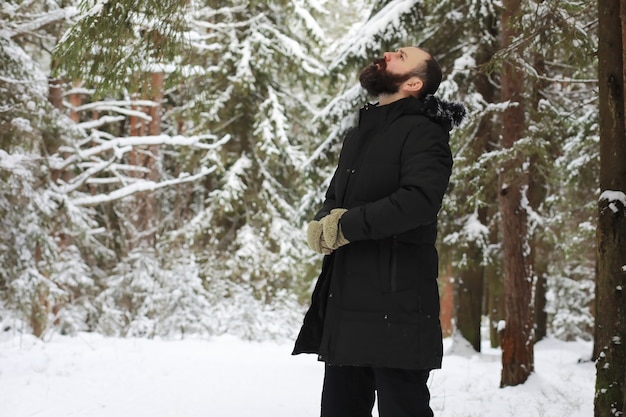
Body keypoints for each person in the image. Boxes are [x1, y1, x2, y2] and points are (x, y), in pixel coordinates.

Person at [292, 46, 466, 417]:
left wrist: (346, 226)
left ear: (414, 83)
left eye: (400, 56)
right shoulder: (358, 136)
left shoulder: (424, 132)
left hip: (397, 307)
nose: (388, 54)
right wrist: (323, 224)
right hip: (346, 303)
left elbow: (419, 202)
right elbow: (336, 198)